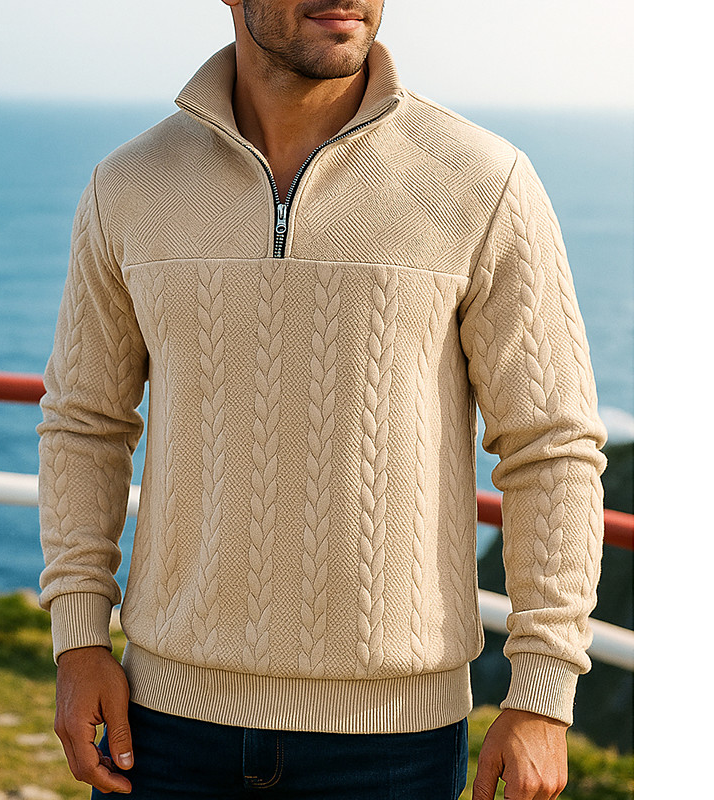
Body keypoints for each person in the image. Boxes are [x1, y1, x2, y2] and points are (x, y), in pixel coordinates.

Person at [37, 1, 607, 798]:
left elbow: (551, 446)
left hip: (393, 749)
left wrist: (544, 692)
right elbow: (84, 424)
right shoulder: (128, 186)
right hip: (163, 731)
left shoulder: (483, 182)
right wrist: (77, 639)